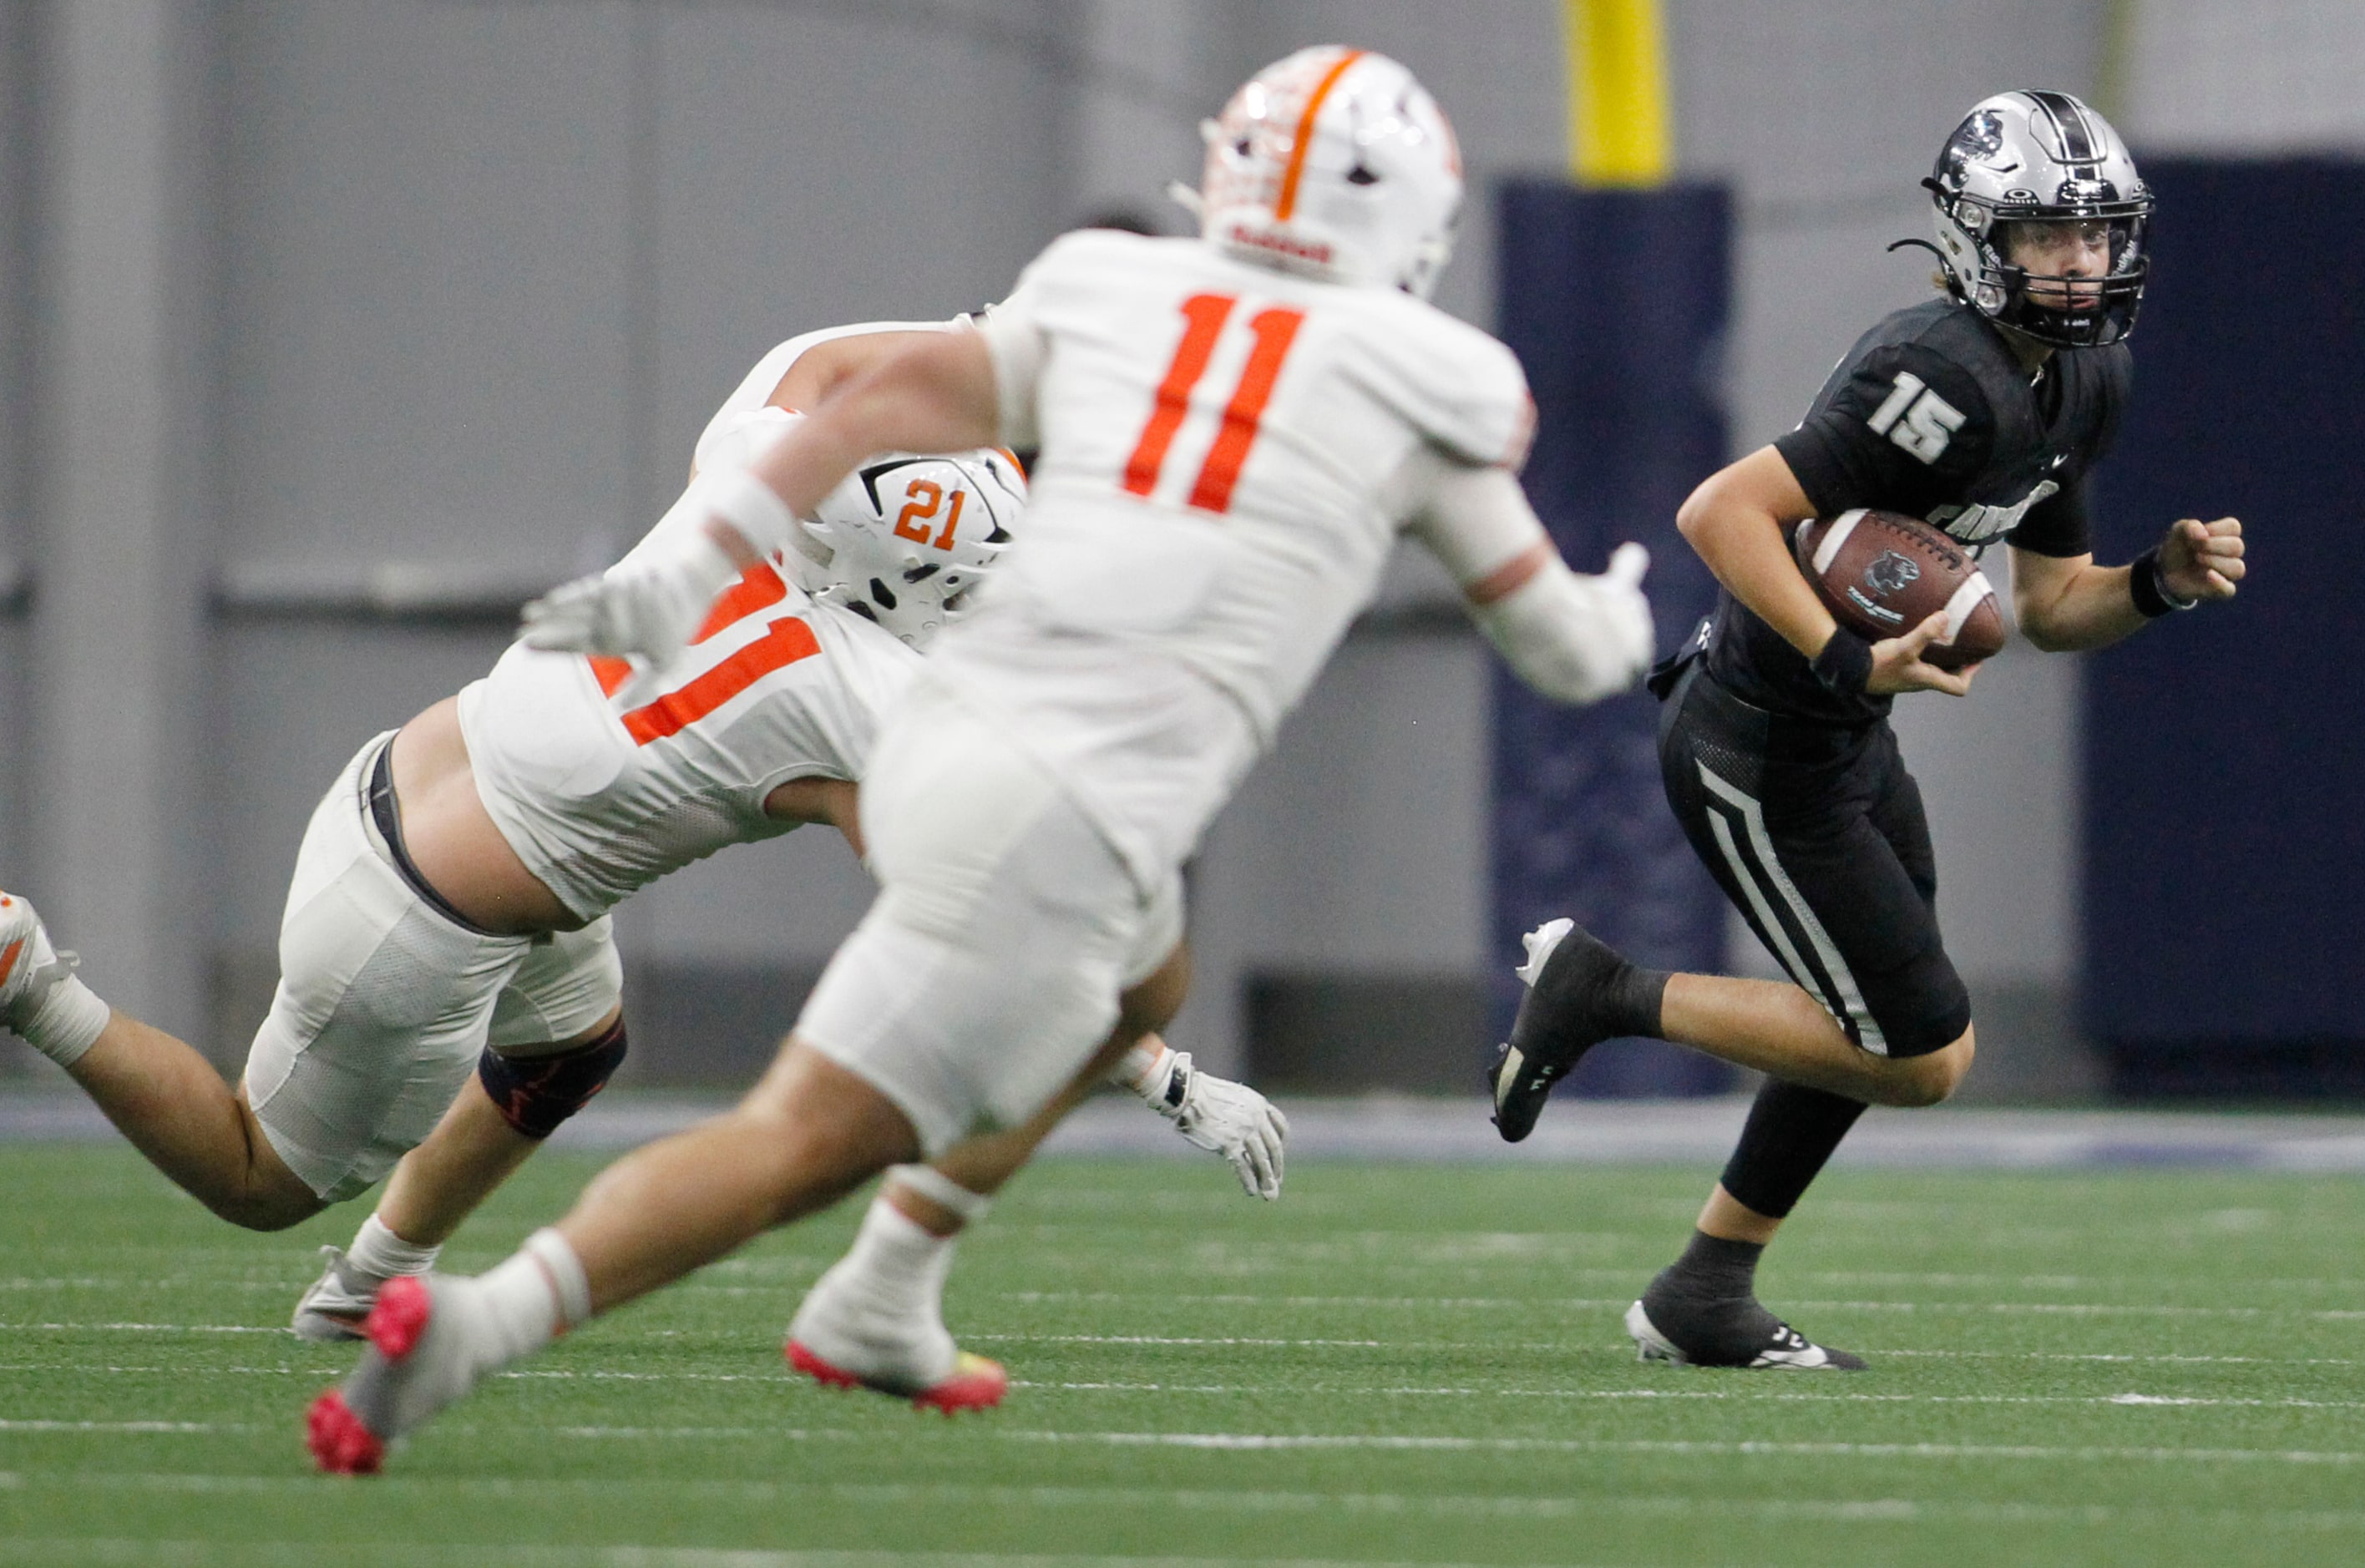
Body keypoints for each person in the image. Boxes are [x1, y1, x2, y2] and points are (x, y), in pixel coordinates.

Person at [301, 43, 1658, 1474]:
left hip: (945, 748)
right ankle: (538, 1321)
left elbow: (864, 410)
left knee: (1137, 978)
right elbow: (1566, 655)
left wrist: (686, 562)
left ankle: (886, 1286)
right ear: (1406, 224)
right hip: (1072, 802)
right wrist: (1623, 605)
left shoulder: (1108, 292)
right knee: (810, 1138)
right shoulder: (1425, 383)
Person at [0, 319, 1286, 1409]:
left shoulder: (749, 470)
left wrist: (1009, 341)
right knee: (254, 1174)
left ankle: (370, 1287)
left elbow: (831, 364)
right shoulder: (871, 704)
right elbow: (995, 932)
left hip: (427, 776)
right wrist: (1166, 1077)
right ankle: (29, 978)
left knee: (571, 1051)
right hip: (417, 923)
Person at [1486, 90, 2246, 1368]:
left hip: (1848, 742)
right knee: (1920, 1050)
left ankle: (1704, 1290)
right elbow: (1720, 511)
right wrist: (1844, 653)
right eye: (2047, 240)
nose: (2080, 265)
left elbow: (2053, 610)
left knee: (1870, 1022)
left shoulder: (2088, 381)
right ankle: (1601, 990)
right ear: (1978, 241)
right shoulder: (1936, 368)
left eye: (2097, 237)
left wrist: (2157, 584)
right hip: (1762, 742)